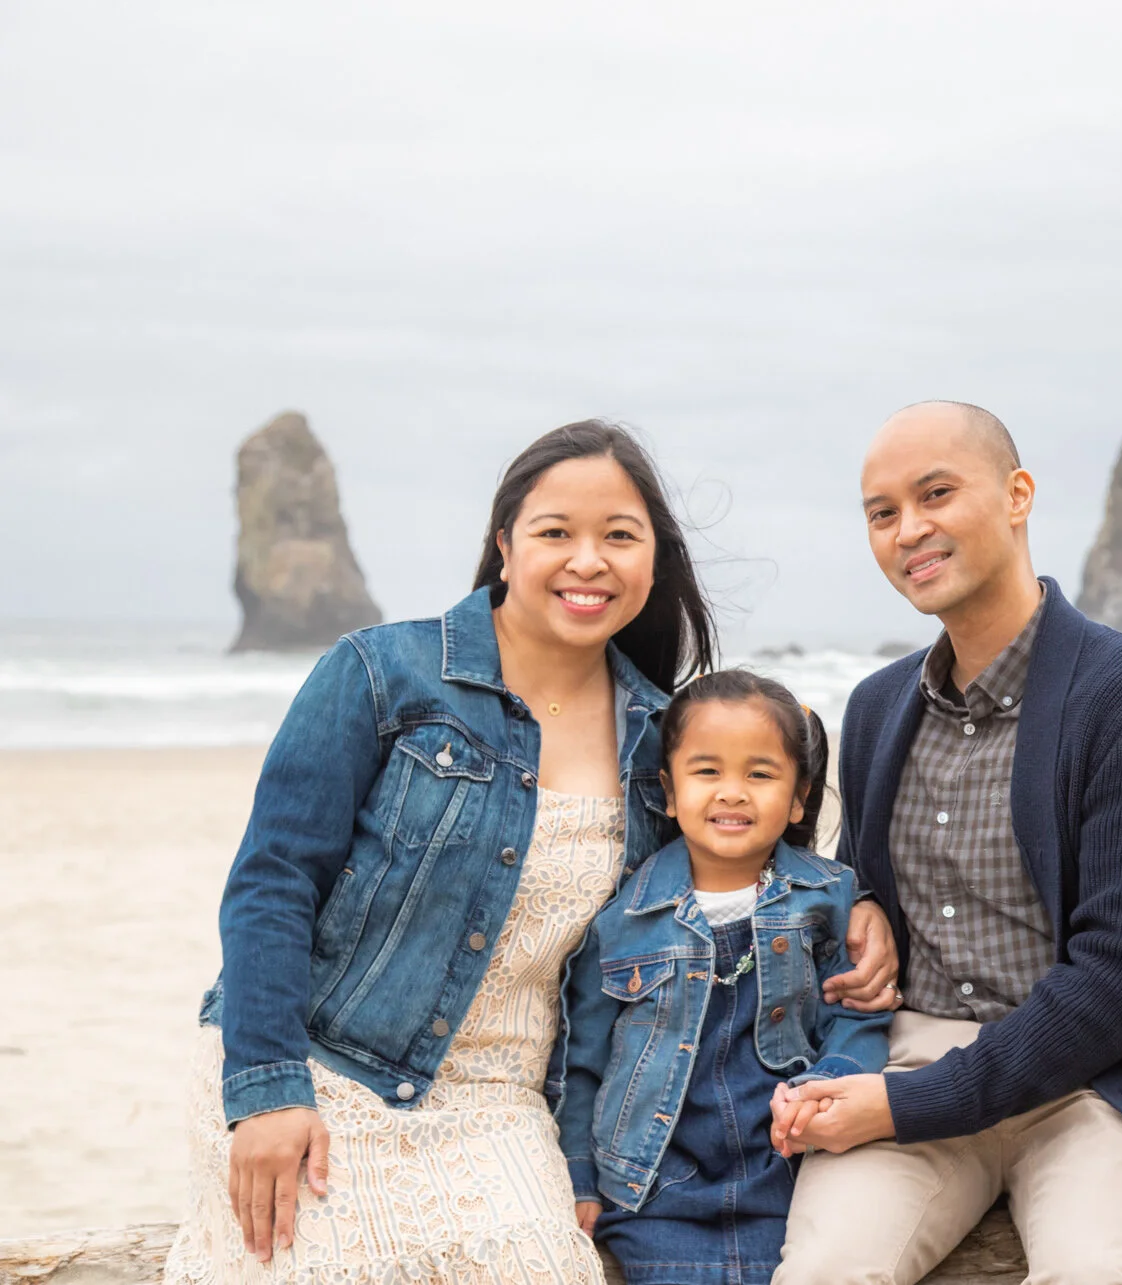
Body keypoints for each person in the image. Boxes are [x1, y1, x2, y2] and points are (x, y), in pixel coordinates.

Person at [163, 420, 900, 1284]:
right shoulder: (380, 672)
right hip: (322, 1059)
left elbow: (736, 865)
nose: (588, 560)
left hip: (510, 1103)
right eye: (557, 532)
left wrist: (856, 904)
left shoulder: (659, 738)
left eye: (619, 537)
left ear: (652, 561)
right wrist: (269, 1092)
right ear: (505, 545)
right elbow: (271, 883)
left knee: (547, 1266)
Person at [769, 402, 1122, 1285]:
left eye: (937, 493)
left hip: (1099, 1085)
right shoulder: (876, 708)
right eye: (882, 512)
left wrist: (909, 1103)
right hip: (912, 1054)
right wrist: (859, 899)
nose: (910, 530)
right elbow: (859, 876)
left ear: (1017, 495)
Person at [560, 670, 892, 1285]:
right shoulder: (624, 918)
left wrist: (832, 1081)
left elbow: (859, 1011)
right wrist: (579, 1172)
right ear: (668, 789)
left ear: (798, 798)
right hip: (655, 1181)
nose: (733, 793)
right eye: (707, 772)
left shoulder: (830, 899)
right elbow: (581, 1060)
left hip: (790, 1165)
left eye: (760, 774)